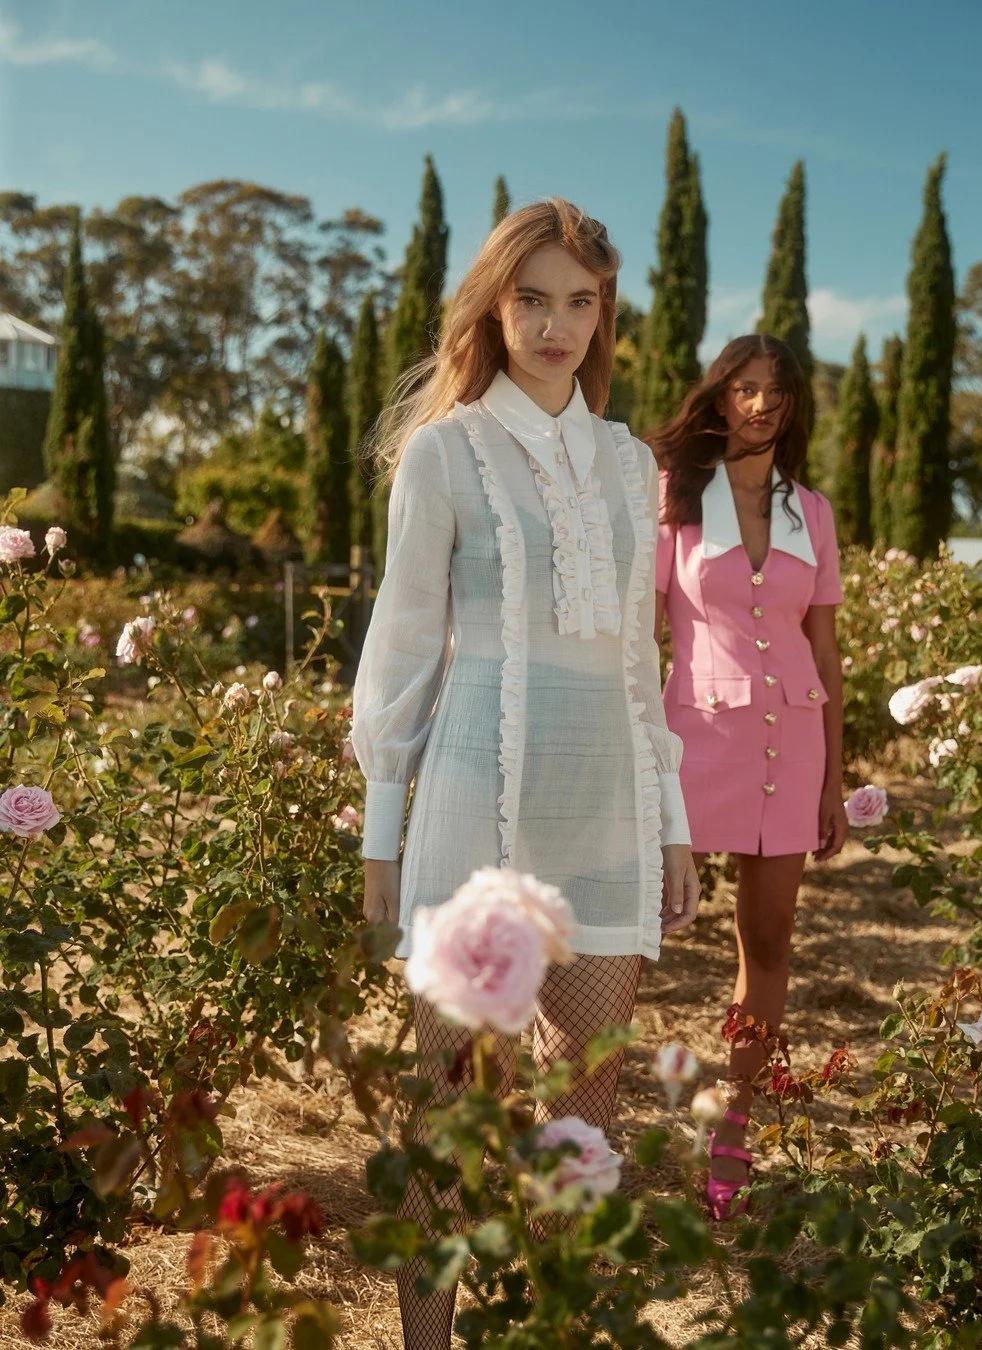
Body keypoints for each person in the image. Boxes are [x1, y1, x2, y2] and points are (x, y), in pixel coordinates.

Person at [352, 198, 700, 1348]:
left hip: (604, 813)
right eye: (533, 298)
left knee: (582, 1120)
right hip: (467, 810)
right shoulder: (446, 453)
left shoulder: (625, 460)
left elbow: (638, 665)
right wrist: (380, 832)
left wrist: (674, 823)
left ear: (604, 316)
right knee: (453, 1116)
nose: (556, 324)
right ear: (495, 309)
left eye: (579, 301)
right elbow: (400, 651)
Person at [649, 333, 846, 1220]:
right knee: (632, 932)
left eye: (776, 391)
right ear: (719, 398)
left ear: (792, 406)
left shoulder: (816, 513)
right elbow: (637, 633)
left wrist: (834, 778)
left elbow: (825, 653)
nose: (761, 404)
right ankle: (581, 1106)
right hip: (694, 745)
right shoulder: (676, 500)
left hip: (792, 749)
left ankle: (734, 1128)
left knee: (766, 944)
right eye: (744, 387)